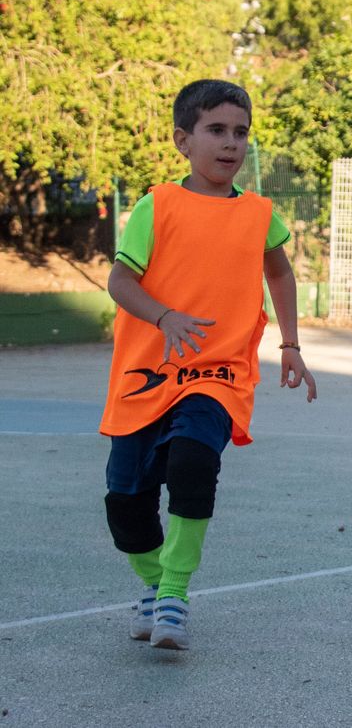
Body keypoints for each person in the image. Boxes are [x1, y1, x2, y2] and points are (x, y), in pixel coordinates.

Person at [100, 79, 317, 652]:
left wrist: (290, 344)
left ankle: (173, 591)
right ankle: (151, 582)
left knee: (194, 465)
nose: (231, 143)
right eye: (216, 130)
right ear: (183, 141)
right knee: (125, 501)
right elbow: (120, 280)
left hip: (218, 373)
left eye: (241, 132)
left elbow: (280, 273)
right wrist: (165, 316)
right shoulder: (157, 205)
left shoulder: (259, 214)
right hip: (144, 375)